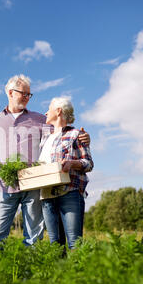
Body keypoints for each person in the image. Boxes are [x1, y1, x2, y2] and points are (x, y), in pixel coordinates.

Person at [0, 74, 91, 246]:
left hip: (32, 183)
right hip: (4, 184)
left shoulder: (39, 119)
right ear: (11, 93)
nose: (27, 98)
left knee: (34, 237)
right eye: (24, 94)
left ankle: (30, 271)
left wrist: (83, 137)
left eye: (29, 95)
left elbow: (61, 130)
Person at [39, 97, 94, 250]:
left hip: (69, 192)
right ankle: (60, 274)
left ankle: (77, 274)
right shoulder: (44, 138)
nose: (45, 112)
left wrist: (71, 164)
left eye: (49, 108)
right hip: (47, 195)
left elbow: (89, 163)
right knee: (55, 246)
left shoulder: (76, 134)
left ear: (58, 111)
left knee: (74, 245)